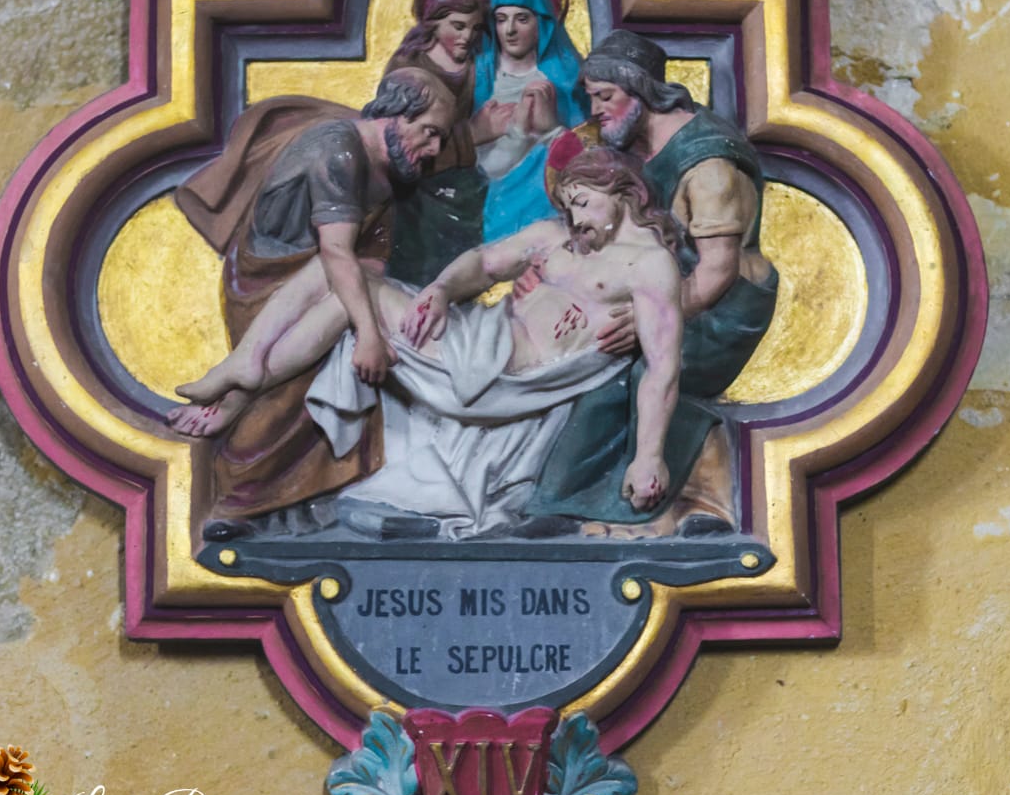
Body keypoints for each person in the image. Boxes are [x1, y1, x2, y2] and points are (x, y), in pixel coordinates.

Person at [178, 149, 684, 540]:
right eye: (568, 206)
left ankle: (241, 382)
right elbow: (484, 263)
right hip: (475, 338)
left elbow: (663, 368)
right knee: (342, 286)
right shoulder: (555, 236)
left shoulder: (649, 266)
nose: (575, 219)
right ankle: (242, 377)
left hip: (496, 374)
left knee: (346, 279)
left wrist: (649, 457)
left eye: (583, 202)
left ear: (624, 192)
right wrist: (442, 289)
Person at [524, 30, 778, 534]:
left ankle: (619, 506)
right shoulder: (633, 143)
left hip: (720, 307)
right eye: (591, 98)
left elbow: (717, 270)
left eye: (605, 97)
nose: (595, 111)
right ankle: (551, 495)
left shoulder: (708, 167)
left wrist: (647, 320)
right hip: (656, 288)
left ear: (640, 90)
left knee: (624, 372)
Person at [171, 66, 457, 435]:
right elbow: (336, 252)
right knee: (342, 280)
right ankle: (244, 363)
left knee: (351, 296)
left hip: (320, 283)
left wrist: (369, 318)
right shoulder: (339, 149)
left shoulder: (387, 171)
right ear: (397, 114)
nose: (433, 150)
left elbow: (369, 264)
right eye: (430, 133)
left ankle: (239, 388)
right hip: (268, 280)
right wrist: (369, 333)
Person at [382, 0, 512, 285]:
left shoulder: (474, 63)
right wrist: (473, 134)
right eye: (457, 26)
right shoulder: (409, 64)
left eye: (475, 28)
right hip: (420, 178)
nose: (467, 36)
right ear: (434, 21)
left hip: (460, 172)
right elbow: (401, 137)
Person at [472, 0, 587, 242]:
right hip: (492, 202)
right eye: (501, 19)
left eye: (522, 19)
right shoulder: (480, 77)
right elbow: (472, 161)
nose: (510, 30)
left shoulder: (566, 77)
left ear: (542, 23)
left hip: (549, 204)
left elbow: (590, 159)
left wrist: (552, 130)